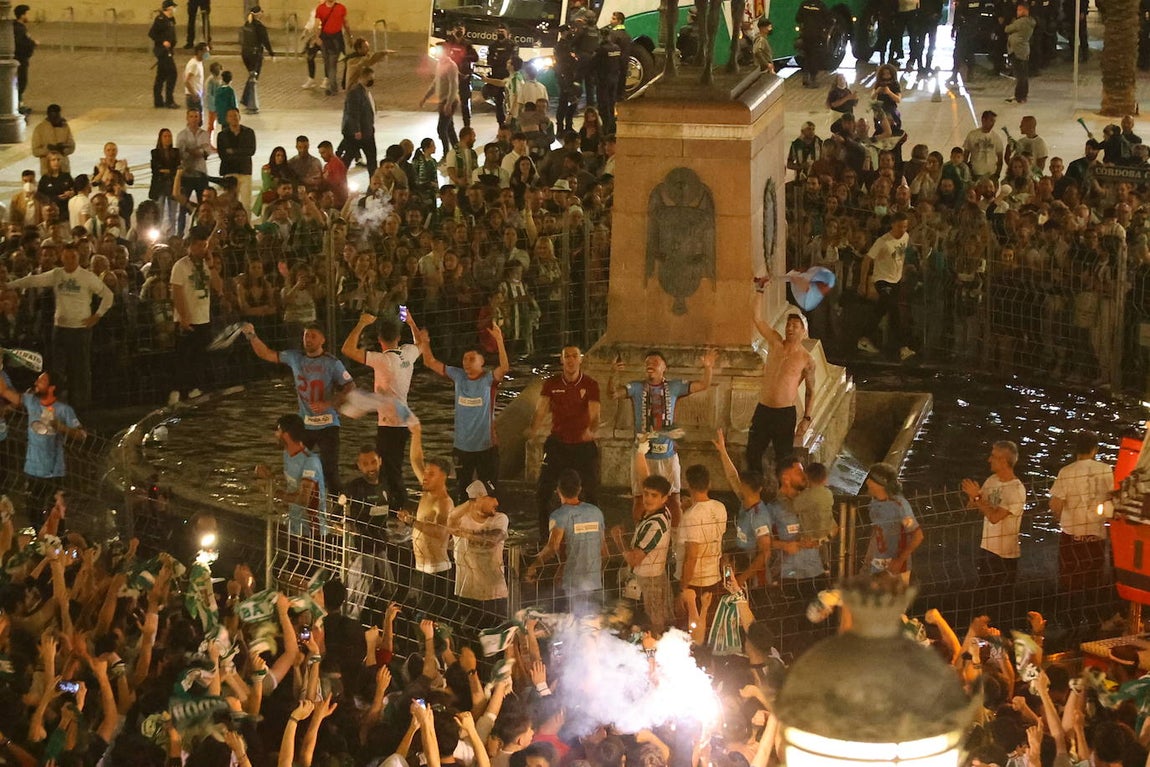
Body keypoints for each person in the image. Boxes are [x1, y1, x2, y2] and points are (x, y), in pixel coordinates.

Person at [607, 348, 716, 527]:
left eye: (655, 362)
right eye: (647, 362)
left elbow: (703, 384)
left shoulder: (674, 387)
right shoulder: (636, 387)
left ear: (664, 367)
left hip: (667, 455)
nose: (650, 364)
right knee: (641, 499)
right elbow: (612, 394)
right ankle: (640, 535)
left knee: (674, 500)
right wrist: (613, 374)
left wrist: (709, 368)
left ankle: (674, 541)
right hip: (643, 456)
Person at [243, 322, 354, 493]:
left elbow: (350, 386)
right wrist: (252, 335)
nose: (308, 339)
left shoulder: (332, 363)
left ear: (323, 340)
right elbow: (265, 353)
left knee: (330, 471)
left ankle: (339, 508)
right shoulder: (295, 357)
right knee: (295, 465)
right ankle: (299, 500)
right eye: (306, 335)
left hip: (328, 425)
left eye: (313, 336)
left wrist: (329, 402)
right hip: (304, 425)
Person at [3, 244, 112, 410]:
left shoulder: (87, 277)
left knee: (80, 369)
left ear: (78, 258)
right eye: (66, 257)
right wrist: (10, 285)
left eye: (73, 257)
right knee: (57, 369)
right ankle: (57, 404)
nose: (69, 260)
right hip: (60, 329)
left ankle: (81, 406)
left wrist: (97, 316)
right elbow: (34, 281)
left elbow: (107, 295)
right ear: (62, 258)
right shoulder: (57, 274)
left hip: (80, 330)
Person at [417, 322, 509, 503]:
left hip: (486, 447)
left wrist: (499, 340)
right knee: (462, 491)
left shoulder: (489, 380)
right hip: (462, 447)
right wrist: (425, 342)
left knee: (490, 492)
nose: (466, 363)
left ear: (482, 361)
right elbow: (429, 361)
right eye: (465, 359)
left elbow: (504, 367)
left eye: (471, 359)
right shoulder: (457, 376)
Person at [342, 311, 422, 513]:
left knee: (390, 471)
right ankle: (396, 508)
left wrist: (361, 323)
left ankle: (399, 510)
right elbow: (421, 343)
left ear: (379, 339)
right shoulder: (408, 353)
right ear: (398, 337)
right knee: (391, 468)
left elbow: (347, 349)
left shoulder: (382, 360)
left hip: (390, 423)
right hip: (402, 420)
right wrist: (411, 322)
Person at [529, 345, 601, 540]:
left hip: (582, 445)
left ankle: (592, 536)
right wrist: (532, 430)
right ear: (561, 360)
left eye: (574, 356)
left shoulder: (590, 384)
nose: (570, 360)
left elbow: (595, 414)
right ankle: (545, 537)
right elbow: (541, 409)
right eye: (566, 356)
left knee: (591, 491)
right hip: (558, 444)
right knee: (543, 491)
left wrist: (591, 430)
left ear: (580, 359)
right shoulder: (551, 384)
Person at [0, 371, 84, 523]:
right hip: (32, 469)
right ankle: (41, 543)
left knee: (56, 512)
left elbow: (82, 435)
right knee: (33, 511)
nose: (35, 384)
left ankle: (58, 542)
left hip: (54, 471)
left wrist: (62, 428)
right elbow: (5, 392)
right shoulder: (31, 401)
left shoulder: (63, 410)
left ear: (52, 387)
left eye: (41, 381)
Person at [747, 299, 816, 475]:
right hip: (764, 409)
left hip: (784, 414)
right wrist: (760, 291)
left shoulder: (806, 359)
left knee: (784, 459)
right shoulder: (776, 342)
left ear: (803, 330)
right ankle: (755, 492)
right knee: (753, 453)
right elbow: (757, 319)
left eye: (795, 325)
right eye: (788, 324)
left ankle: (783, 495)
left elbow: (810, 391)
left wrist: (806, 419)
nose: (790, 328)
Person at [613, 445, 673, 634]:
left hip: (649, 584)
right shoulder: (660, 511)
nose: (647, 499)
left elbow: (634, 559)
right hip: (644, 580)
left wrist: (618, 540)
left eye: (653, 496)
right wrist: (640, 453)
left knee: (652, 629)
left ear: (664, 498)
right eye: (646, 494)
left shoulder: (655, 525)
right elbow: (643, 478)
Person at [526, 468, 606, 611]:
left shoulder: (559, 516)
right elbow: (604, 549)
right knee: (591, 624)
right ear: (579, 489)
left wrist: (534, 566)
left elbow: (552, 547)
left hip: (571, 582)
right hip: (594, 581)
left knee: (570, 623)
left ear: (558, 490)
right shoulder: (596, 512)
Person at [1049, 430, 1113, 592]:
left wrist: (1059, 518)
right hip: (1096, 533)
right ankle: (1091, 613)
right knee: (1093, 579)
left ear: (1076, 449)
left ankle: (1071, 613)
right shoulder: (1105, 470)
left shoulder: (1067, 471)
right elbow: (1113, 499)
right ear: (1095, 450)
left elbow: (1055, 504)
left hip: (1072, 535)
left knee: (1069, 580)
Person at [961, 440, 1026, 591]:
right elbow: (974, 507)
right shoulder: (992, 481)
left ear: (1003, 461)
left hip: (1004, 555)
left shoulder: (1015, 490)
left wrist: (977, 498)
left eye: (993, 456)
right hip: (987, 548)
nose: (988, 459)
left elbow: (995, 517)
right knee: (982, 593)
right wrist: (973, 498)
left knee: (998, 597)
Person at [168, 226, 221, 404]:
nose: (201, 249)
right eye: (197, 245)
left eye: (203, 245)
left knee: (199, 356)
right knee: (183, 357)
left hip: (203, 318)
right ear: (189, 246)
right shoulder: (180, 266)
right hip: (187, 319)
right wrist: (183, 317)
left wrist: (212, 265)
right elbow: (177, 292)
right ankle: (178, 390)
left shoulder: (207, 264)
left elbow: (218, 288)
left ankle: (194, 388)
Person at [401, 439, 454, 614]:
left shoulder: (444, 503)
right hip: (420, 568)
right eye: (425, 473)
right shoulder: (427, 491)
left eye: (431, 474)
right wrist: (415, 432)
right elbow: (415, 460)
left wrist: (412, 522)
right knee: (417, 620)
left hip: (435, 572)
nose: (425, 476)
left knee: (433, 622)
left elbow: (440, 532)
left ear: (443, 477)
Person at [678, 461, 727, 638]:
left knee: (693, 633)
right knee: (710, 629)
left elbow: (692, 557)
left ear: (688, 485)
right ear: (709, 484)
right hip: (714, 577)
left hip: (695, 582)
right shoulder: (720, 507)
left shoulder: (691, 515)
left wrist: (683, 589)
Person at [448, 479, 509, 620]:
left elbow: (493, 539)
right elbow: (450, 519)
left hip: (495, 593)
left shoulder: (500, 519)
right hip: (467, 593)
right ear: (480, 498)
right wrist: (471, 502)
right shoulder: (462, 519)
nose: (497, 503)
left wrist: (465, 534)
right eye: (492, 498)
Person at [261, 413, 329, 538]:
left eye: (278, 431)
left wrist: (274, 492)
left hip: (312, 533)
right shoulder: (287, 455)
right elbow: (292, 485)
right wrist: (268, 478)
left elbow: (304, 499)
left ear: (286, 435)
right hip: (294, 526)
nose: (275, 435)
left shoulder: (310, 461)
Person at [856, 211, 914, 360]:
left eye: (905, 227)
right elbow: (867, 260)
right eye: (900, 226)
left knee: (881, 309)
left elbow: (900, 257)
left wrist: (904, 270)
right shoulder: (882, 241)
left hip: (896, 280)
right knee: (893, 308)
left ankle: (864, 338)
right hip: (882, 279)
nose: (903, 230)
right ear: (893, 225)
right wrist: (863, 283)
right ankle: (902, 346)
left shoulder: (906, 237)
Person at [862, 462, 922, 582]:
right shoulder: (874, 503)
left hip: (895, 569)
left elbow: (918, 536)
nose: (867, 482)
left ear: (881, 484)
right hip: (876, 565)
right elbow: (878, 533)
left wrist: (899, 561)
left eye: (871, 479)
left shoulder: (900, 506)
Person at [175, 108, 211, 236]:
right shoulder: (182, 135)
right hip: (187, 175)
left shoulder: (204, 134)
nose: (194, 119)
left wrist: (192, 151)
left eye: (196, 116)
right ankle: (180, 234)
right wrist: (198, 150)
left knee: (204, 205)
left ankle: (202, 230)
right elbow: (180, 153)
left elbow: (206, 151)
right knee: (183, 206)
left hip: (201, 173)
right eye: (191, 116)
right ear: (187, 118)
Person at [340, 66, 378, 177]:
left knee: (371, 161)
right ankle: (339, 180)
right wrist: (356, 130)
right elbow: (352, 113)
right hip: (358, 134)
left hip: (367, 131)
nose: (371, 80)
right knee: (347, 159)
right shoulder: (355, 92)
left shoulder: (365, 91)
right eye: (370, 78)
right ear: (362, 77)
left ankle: (373, 183)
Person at [216, 108, 257, 211]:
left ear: (239, 117)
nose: (233, 118)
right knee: (230, 204)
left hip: (245, 171)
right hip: (229, 172)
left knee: (246, 204)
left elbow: (251, 151)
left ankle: (246, 226)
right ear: (227, 119)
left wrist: (233, 151)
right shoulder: (222, 135)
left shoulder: (249, 132)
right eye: (230, 116)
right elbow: (222, 155)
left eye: (235, 115)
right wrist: (241, 152)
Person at [421, 50, 461, 153]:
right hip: (442, 100)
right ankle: (458, 151)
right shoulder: (439, 64)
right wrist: (425, 97)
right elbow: (435, 83)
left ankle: (446, 153)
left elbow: (454, 85)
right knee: (449, 128)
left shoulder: (451, 66)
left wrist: (449, 104)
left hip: (449, 100)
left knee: (441, 128)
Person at [240, 6, 274, 115]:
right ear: (258, 14)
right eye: (261, 12)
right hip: (255, 55)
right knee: (253, 78)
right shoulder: (260, 27)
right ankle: (250, 103)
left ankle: (246, 100)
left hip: (245, 53)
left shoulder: (247, 24)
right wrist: (272, 54)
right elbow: (265, 41)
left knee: (251, 76)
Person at [315, 0, 350, 97]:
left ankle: (332, 86)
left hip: (325, 39)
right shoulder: (341, 8)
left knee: (329, 62)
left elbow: (317, 24)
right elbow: (345, 24)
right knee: (331, 63)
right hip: (335, 39)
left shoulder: (321, 8)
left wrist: (317, 37)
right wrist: (349, 36)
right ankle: (333, 87)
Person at [149, 0, 179, 109]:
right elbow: (152, 33)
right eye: (173, 7)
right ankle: (169, 100)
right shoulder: (160, 19)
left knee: (161, 76)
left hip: (168, 51)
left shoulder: (169, 19)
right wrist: (163, 41)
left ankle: (158, 101)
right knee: (172, 73)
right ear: (169, 8)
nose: (175, 9)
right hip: (163, 51)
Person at [1004, 3, 1035, 104]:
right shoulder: (1028, 22)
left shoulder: (1021, 22)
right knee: (1023, 74)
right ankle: (1022, 95)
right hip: (1022, 50)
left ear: (1025, 11)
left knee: (1020, 75)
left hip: (1018, 51)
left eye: (1020, 10)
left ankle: (1019, 96)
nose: (1018, 12)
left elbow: (1007, 29)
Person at [30, 104, 74, 175]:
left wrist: (63, 149)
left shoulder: (65, 127)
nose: (55, 119)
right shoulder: (40, 129)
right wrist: (48, 150)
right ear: (48, 115)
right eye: (53, 117)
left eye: (57, 116)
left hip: (64, 170)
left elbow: (72, 146)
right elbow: (35, 151)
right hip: (47, 171)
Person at [963, 110, 1004, 180]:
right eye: (991, 120)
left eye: (994, 121)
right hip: (975, 174)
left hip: (991, 174)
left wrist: (997, 175)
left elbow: (1000, 158)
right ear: (983, 120)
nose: (993, 123)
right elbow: (965, 155)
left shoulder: (996, 137)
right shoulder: (972, 135)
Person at [13, 4, 36, 115]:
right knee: (21, 82)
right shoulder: (19, 29)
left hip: (20, 59)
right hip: (20, 59)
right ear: (22, 15)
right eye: (27, 14)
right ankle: (16, 104)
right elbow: (21, 43)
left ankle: (18, 103)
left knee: (19, 82)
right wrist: (32, 43)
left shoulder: (18, 27)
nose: (28, 16)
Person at [184, 42, 210, 113]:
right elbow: (187, 81)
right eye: (206, 52)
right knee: (196, 120)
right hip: (193, 97)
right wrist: (194, 94)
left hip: (196, 95)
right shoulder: (194, 64)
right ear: (199, 52)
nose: (208, 54)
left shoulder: (199, 62)